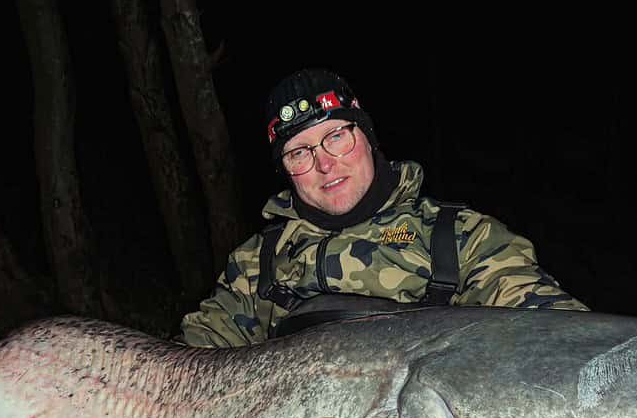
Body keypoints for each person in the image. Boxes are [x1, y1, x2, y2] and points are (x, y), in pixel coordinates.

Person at [180, 68, 586, 347]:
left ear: (367, 135)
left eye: (336, 136)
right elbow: (196, 358)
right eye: (298, 152)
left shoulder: (459, 236)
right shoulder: (255, 264)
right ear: (286, 171)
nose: (324, 163)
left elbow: (555, 334)